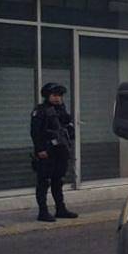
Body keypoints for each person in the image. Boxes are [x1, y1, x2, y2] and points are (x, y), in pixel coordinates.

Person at [30, 83, 78, 222]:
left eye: (60, 96)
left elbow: (68, 128)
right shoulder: (40, 111)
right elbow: (35, 132)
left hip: (60, 151)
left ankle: (60, 209)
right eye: (55, 95)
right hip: (47, 151)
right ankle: (43, 211)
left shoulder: (61, 111)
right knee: (44, 182)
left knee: (58, 180)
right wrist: (40, 150)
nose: (58, 98)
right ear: (47, 96)